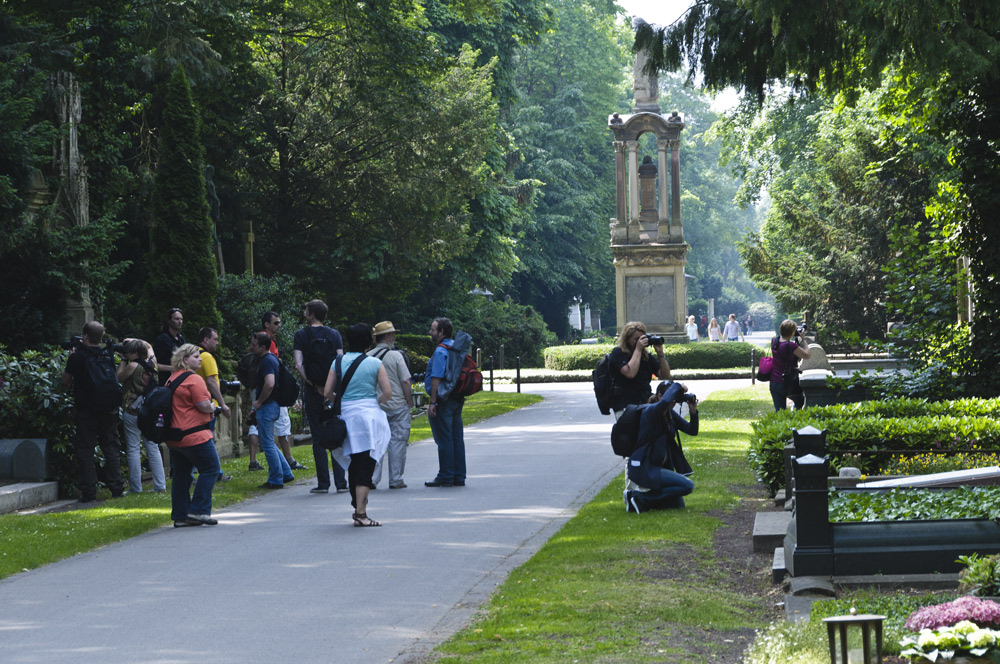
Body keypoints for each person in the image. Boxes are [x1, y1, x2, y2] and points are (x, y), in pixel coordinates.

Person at [323, 323, 391, 527]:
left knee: (354, 461)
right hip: (369, 418)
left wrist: (342, 402)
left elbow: (327, 392)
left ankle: (358, 507)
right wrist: (372, 403)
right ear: (369, 341)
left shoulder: (338, 361)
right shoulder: (375, 363)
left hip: (347, 417)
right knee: (366, 463)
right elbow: (387, 393)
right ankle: (361, 514)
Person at [61, 321, 127, 503]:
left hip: (86, 410)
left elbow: (65, 381)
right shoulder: (107, 355)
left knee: (85, 450)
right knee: (111, 448)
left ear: (85, 336)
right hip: (110, 410)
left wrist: (71, 357)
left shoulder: (78, 357)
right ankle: (117, 487)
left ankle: (89, 491)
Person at [293, 299, 348, 494]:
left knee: (317, 436)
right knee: (337, 431)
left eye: (306, 310)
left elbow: (298, 364)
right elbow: (340, 361)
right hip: (333, 391)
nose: (304, 313)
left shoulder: (301, 335)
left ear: (312, 314)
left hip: (313, 389)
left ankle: (323, 483)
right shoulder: (334, 334)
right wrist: (330, 387)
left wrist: (313, 384)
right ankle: (341, 483)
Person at [164, 344, 221, 527]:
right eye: (196, 356)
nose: (200, 359)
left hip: (175, 436)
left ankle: (181, 516)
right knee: (211, 468)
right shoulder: (194, 379)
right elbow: (203, 405)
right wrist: (213, 406)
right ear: (185, 359)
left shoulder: (172, 378)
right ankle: (199, 510)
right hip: (194, 435)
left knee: (181, 475)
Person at [624, 380, 698, 514]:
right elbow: (665, 402)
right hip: (645, 467)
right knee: (688, 485)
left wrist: (693, 412)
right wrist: (678, 386)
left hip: (659, 467)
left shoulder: (669, 414)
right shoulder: (651, 411)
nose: (673, 402)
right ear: (659, 395)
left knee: (677, 505)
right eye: (672, 398)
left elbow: (692, 430)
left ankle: (645, 502)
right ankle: (637, 497)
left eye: (675, 399)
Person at [117, 338, 167, 494]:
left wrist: (123, 360)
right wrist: (138, 340)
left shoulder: (132, 365)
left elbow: (119, 377)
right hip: (149, 411)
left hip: (132, 410)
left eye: (129, 352)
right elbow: (150, 345)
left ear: (135, 353)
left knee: (133, 449)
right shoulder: (153, 364)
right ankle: (160, 485)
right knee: (152, 447)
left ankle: (136, 488)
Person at [367, 321, 413, 489]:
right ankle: (395, 479)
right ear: (387, 337)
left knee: (376, 442)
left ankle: (372, 478)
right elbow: (405, 381)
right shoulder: (396, 356)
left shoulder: (368, 356)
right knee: (398, 442)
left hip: (376, 406)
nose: (394, 337)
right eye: (392, 334)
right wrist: (409, 401)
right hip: (397, 405)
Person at [249, 331, 295, 489]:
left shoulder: (267, 361)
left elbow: (269, 383)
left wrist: (259, 402)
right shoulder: (271, 359)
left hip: (268, 405)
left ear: (263, 346)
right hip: (272, 405)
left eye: (254, 345)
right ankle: (286, 473)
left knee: (267, 443)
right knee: (268, 441)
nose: (251, 347)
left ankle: (276, 479)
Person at [424, 317, 467, 487]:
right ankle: (459, 476)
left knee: (444, 439)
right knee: (457, 438)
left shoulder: (441, 351)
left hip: (444, 399)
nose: (430, 332)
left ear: (441, 332)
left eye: (433, 329)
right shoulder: (456, 347)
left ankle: (446, 475)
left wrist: (433, 402)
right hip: (457, 397)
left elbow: (436, 378)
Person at [607, 321, 671, 416]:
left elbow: (665, 376)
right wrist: (638, 349)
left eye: (642, 338)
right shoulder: (618, 353)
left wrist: (660, 354)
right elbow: (630, 373)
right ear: (627, 339)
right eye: (636, 339)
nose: (640, 342)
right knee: (631, 430)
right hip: (624, 404)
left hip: (644, 401)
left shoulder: (645, 355)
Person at [194, 327, 233, 483]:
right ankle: (215, 472)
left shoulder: (192, 355)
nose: (217, 343)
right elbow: (211, 381)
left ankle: (215, 471)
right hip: (208, 406)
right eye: (215, 339)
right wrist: (222, 404)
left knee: (199, 440)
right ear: (206, 340)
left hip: (195, 405)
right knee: (206, 440)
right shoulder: (207, 357)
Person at [769, 319, 812, 412]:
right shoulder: (791, 346)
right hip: (787, 382)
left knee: (780, 412)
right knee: (800, 401)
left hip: (774, 381)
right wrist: (803, 339)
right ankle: (794, 419)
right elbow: (807, 355)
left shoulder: (774, 341)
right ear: (792, 333)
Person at [153, 307, 185, 385]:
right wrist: (172, 368)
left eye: (181, 319)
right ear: (169, 321)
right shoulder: (163, 339)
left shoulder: (181, 339)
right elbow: (153, 364)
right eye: (176, 319)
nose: (180, 322)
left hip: (179, 380)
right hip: (165, 381)